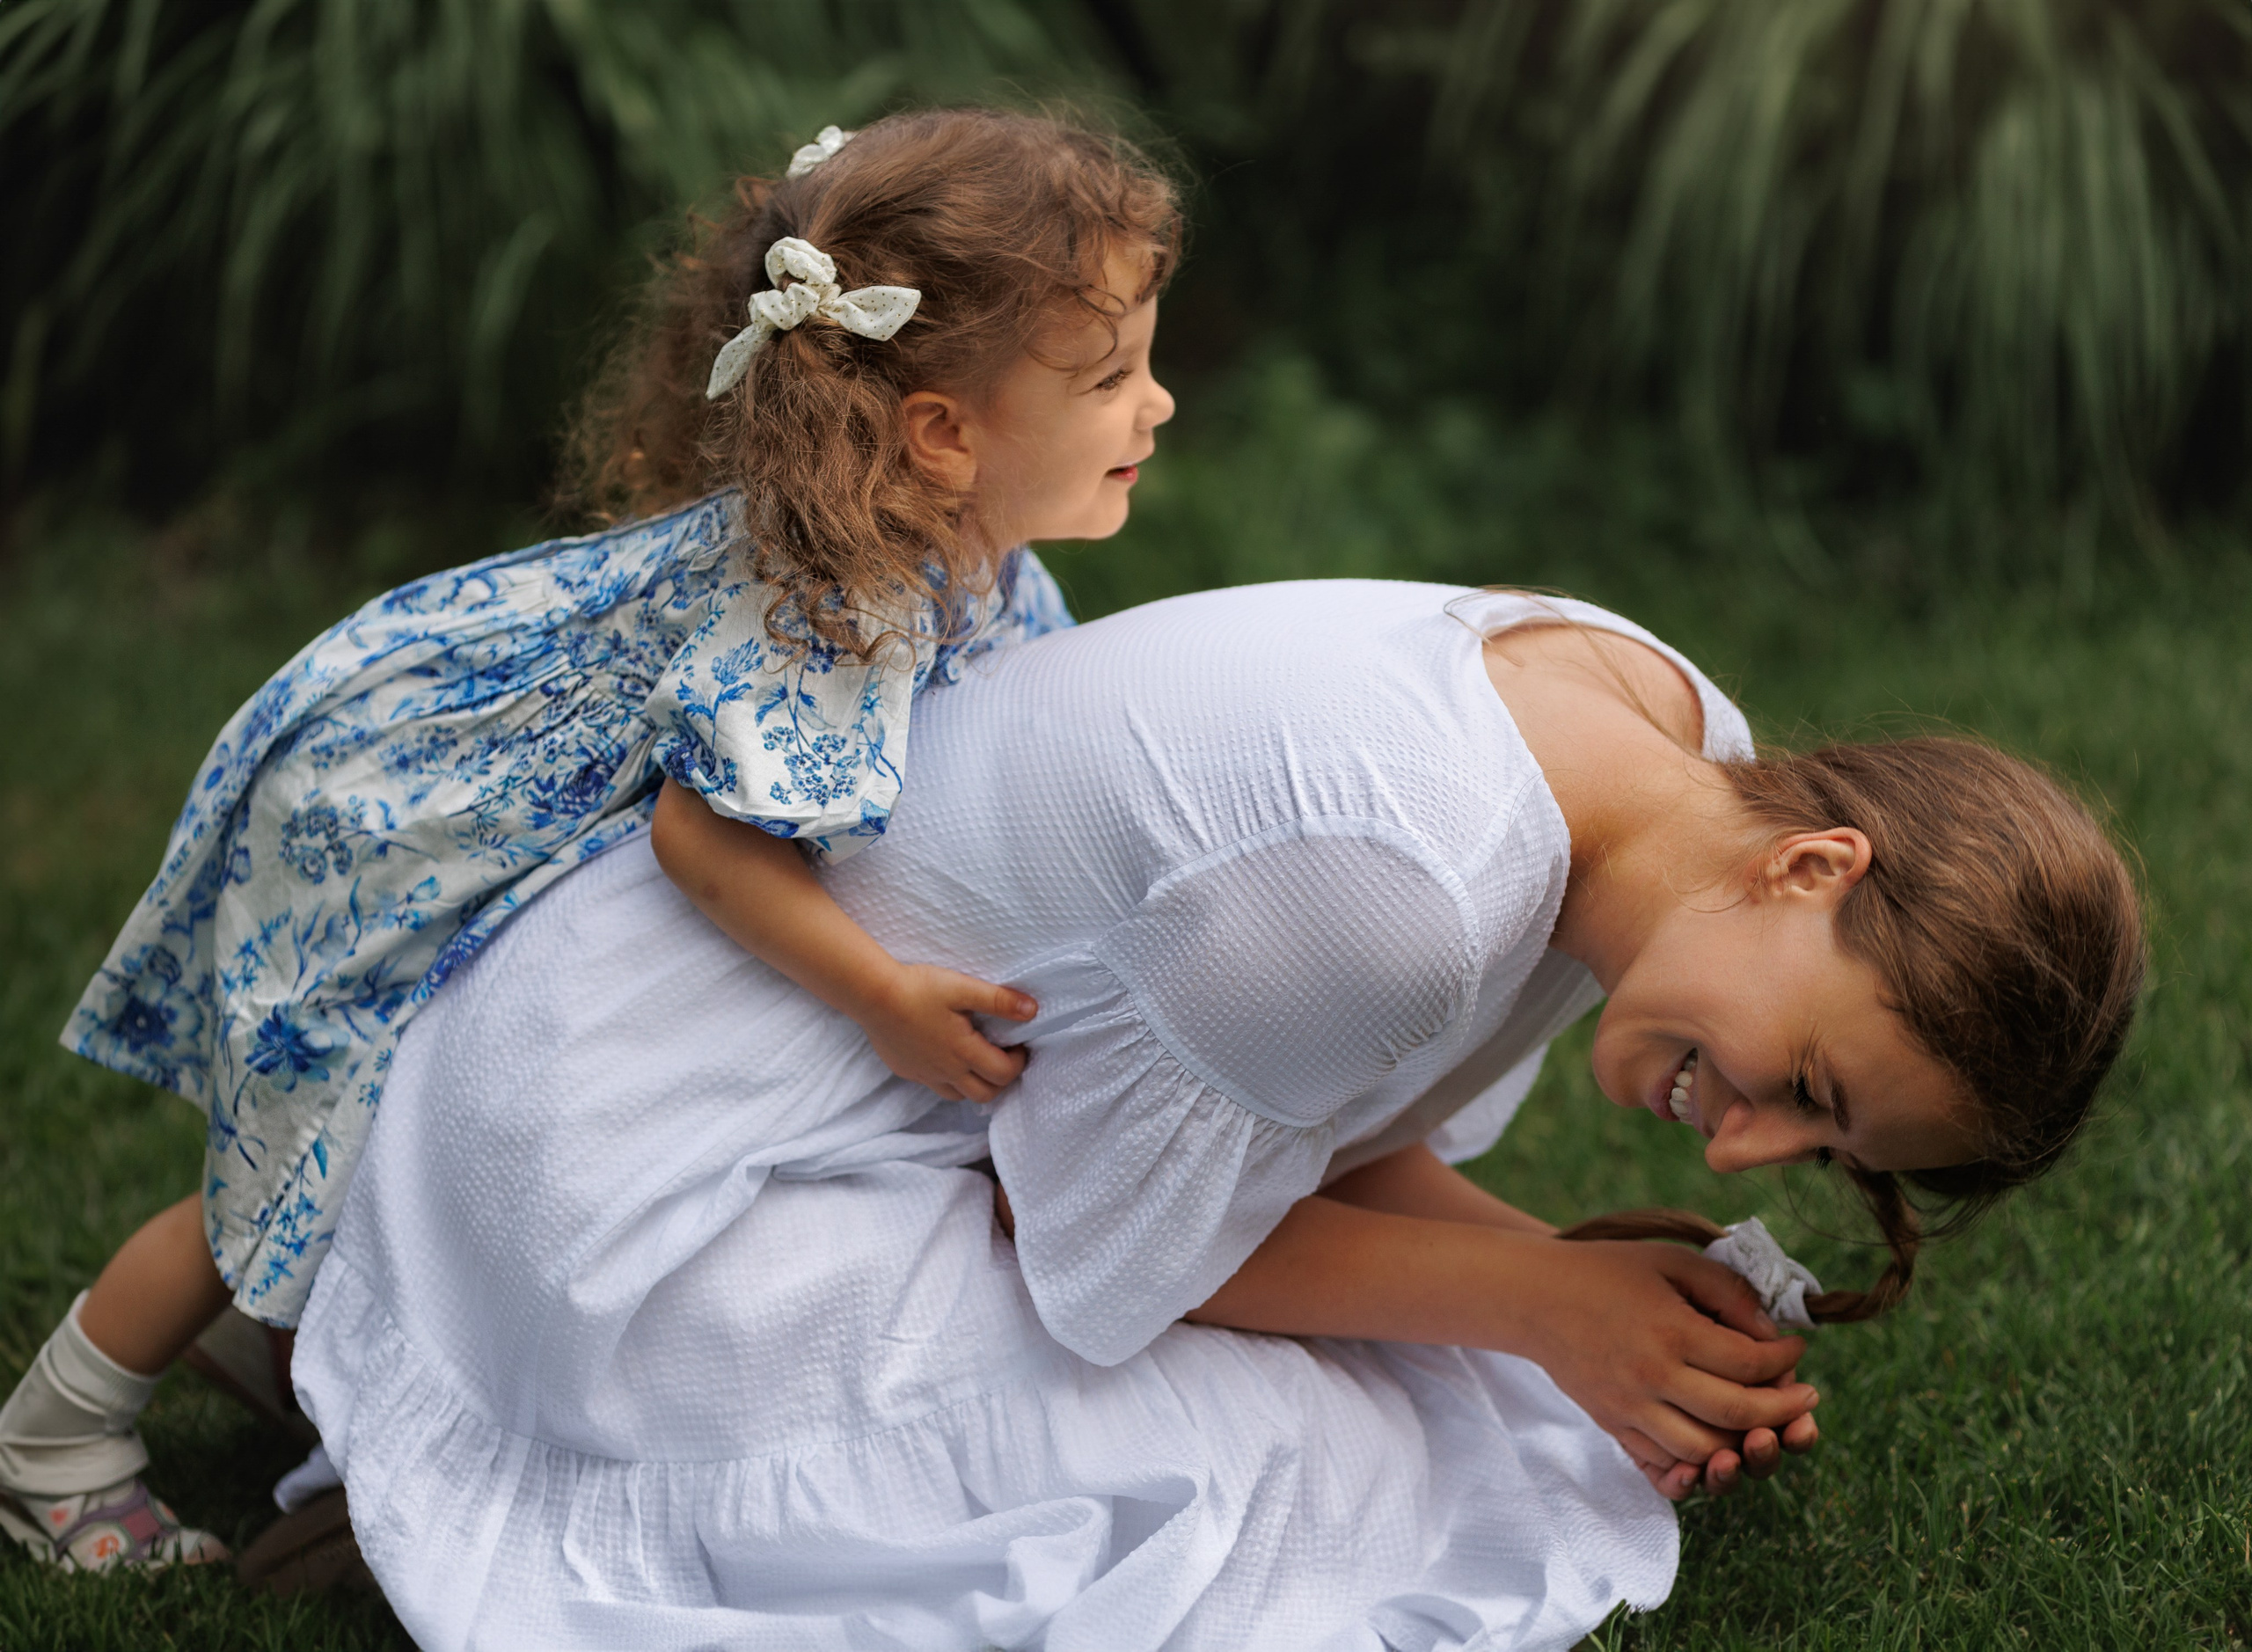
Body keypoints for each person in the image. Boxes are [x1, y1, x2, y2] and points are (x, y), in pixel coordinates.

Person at [290, 579, 2143, 1649]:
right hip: (673, 1144)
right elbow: (1088, 1259)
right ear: (1814, 865)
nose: (1740, 1151)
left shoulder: (1661, 730)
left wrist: (1579, 1301)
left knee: (1447, 1388)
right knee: (1279, 1489)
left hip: (893, 1078)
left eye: (1812, 1154)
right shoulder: (1398, 890)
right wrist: (1538, 1309)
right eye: (1809, 1090)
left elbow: (1297, 1133)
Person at [0, 106, 1181, 1571]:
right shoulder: (842, 595)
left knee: (370, 1154)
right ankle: (54, 1433)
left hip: (477, 781)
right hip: (413, 818)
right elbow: (705, 838)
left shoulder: (976, 560)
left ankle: (280, 1344)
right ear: (942, 434)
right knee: (318, 1150)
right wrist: (881, 997)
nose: (1160, 405)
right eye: (1116, 376)